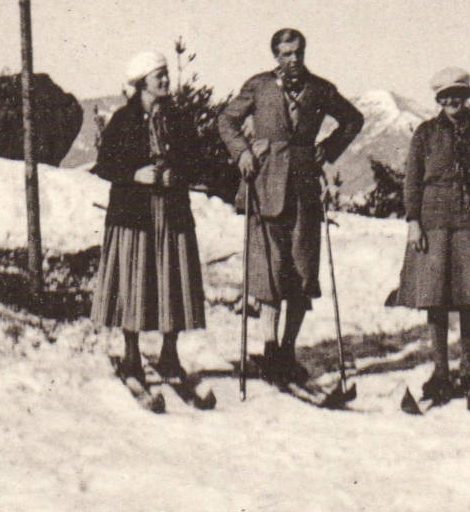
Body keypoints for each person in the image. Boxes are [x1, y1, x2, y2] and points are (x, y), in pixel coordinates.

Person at [217, 28, 364, 386]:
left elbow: (353, 120)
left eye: (297, 52)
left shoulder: (320, 88)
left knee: (301, 270)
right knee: (270, 269)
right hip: (265, 185)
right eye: (285, 53)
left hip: (303, 190)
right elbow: (226, 120)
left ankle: (286, 349)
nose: (292, 59)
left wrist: (327, 150)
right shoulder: (259, 86)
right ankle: (269, 348)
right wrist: (243, 153)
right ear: (275, 56)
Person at [90, 50, 208, 381]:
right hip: (134, 214)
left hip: (172, 213)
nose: (166, 80)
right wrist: (134, 175)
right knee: (134, 283)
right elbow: (105, 165)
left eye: (167, 74)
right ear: (143, 82)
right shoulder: (123, 120)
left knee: (175, 281)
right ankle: (131, 357)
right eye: (160, 76)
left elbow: (197, 162)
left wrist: (178, 175)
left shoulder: (179, 119)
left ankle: (170, 354)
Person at [390, 67, 470, 410]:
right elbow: (412, 180)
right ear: (438, 100)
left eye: (458, 94)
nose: (452, 100)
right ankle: (440, 370)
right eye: (445, 96)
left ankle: (467, 369)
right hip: (434, 222)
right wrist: (413, 221)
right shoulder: (425, 133)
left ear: (467, 97)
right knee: (435, 298)